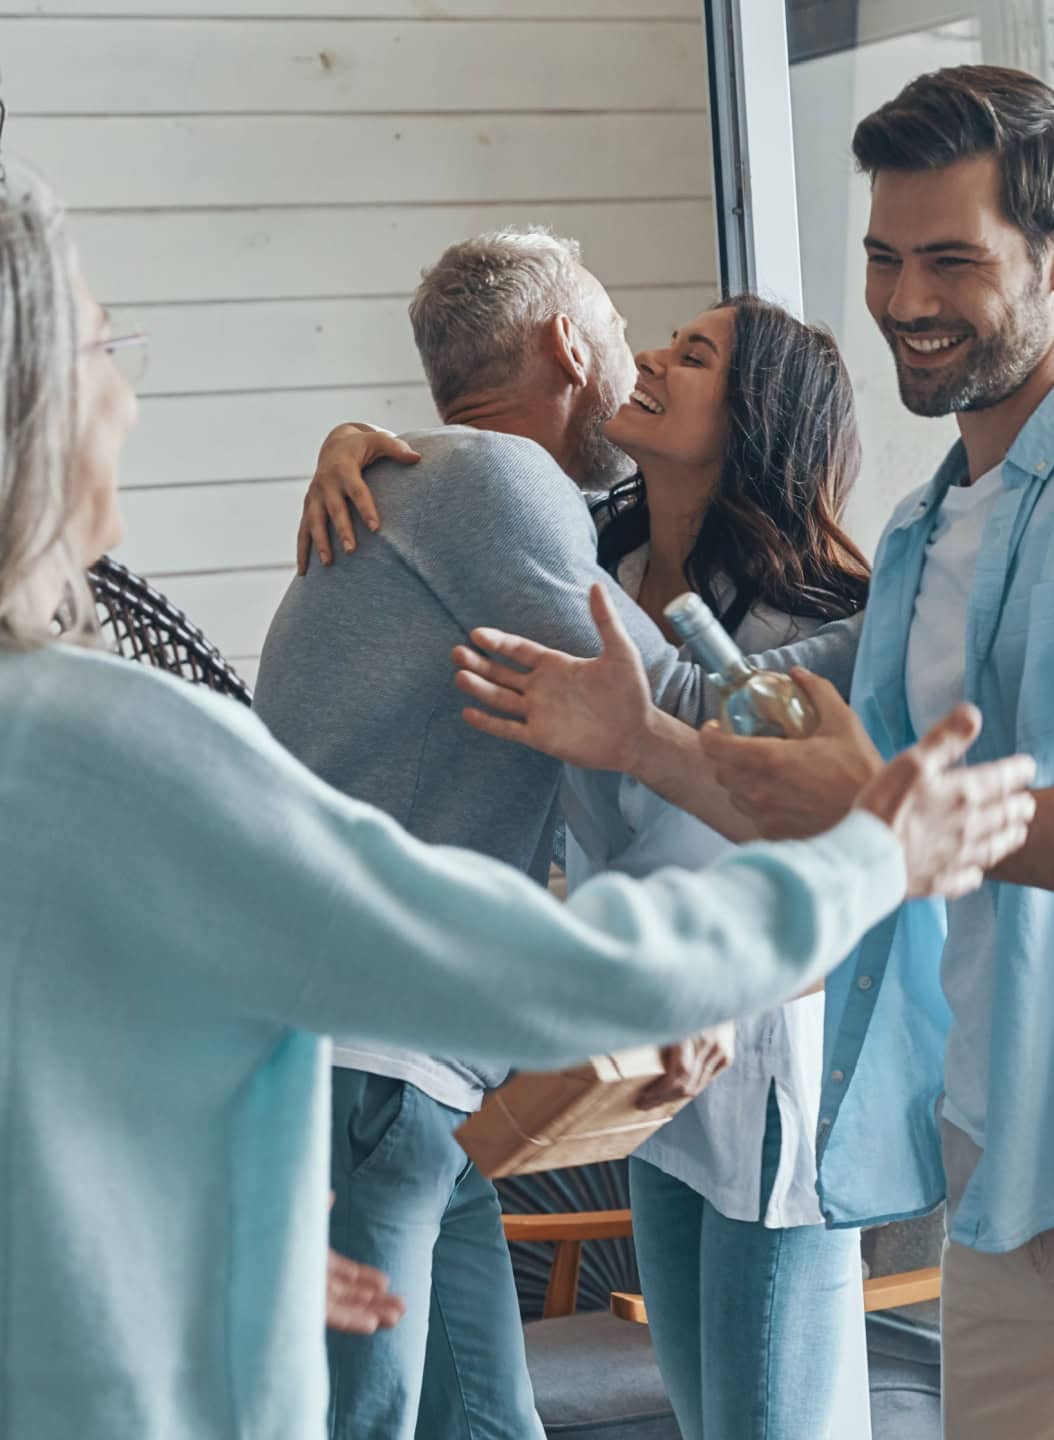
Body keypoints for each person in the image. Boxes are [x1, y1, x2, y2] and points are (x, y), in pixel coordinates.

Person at [0, 171, 1036, 1440]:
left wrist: (194, 1231)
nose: (125, 398)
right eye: (106, 348)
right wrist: (873, 856)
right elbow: (544, 965)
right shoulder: (82, 737)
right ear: (3, 408)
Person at [317, 64, 1054, 1438]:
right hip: (1003, 1150)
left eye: (950, 260)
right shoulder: (926, 532)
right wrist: (639, 735)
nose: (905, 299)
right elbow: (767, 741)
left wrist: (894, 812)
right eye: (883, 257)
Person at [256, 227, 663, 1440]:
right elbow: (664, 701)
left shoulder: (426, 480)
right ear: (568, 345)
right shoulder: (497, 484)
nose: (637, 359)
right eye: (623, 331)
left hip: (405, 1084)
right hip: (361, 1066)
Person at [569, 296, 877, 1439]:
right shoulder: (594, 565)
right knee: (700, 1416)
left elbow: (836, 852)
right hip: (647, 1061)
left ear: (751, 419)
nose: (649, 357)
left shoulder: (816, 626)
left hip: (762, 1067)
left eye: (691, 355)